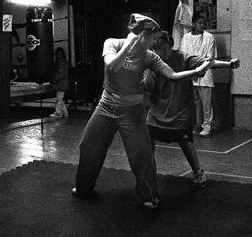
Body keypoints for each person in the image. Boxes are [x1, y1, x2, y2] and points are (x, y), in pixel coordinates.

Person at [72, 14, 211, 209]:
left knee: (142, 155)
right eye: (153, 39)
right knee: (88, 146)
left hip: (132, 112)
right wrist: (129, 46)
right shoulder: (112, 43)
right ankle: (83, 188)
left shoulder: (149, 56)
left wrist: (196, 72)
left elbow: (171, 75)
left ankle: (150, 196)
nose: (155, 43)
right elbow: (112, 67)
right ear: (142, 35)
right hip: (106, 107)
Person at [143, 31, 239, 189]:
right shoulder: (151, 61)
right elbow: (147, 87)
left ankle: (197, 172)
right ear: (154, 49)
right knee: (148, 139)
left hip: (179, 109)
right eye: (161, 49)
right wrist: (147, 74)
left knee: (185, 140)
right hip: (157, 110)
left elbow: (206, 63)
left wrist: (228, 64)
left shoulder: (181, 57)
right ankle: (146, 172)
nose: (164, 52)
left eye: (167, 48)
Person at [180, 12, 216, 137]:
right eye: (199, 23)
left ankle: (207, 125)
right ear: (194, 24)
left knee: (206, 101)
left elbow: (210, 57)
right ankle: (197, 123)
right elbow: (184, 55)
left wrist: (199, 67)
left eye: (203, 23)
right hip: (190, 72)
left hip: (205, 72)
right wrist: (192, 69)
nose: (202, 26)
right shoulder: (186, 38)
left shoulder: (209, 37)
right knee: (194, 101)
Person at [50, 47, 70, 118]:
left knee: (59, 99)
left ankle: (58, 113)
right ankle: (64, 112)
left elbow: (60, 74)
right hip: (63, 83)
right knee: (60, 99)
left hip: (60, 83)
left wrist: (53, 80)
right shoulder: (64, 62)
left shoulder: (61, 63)